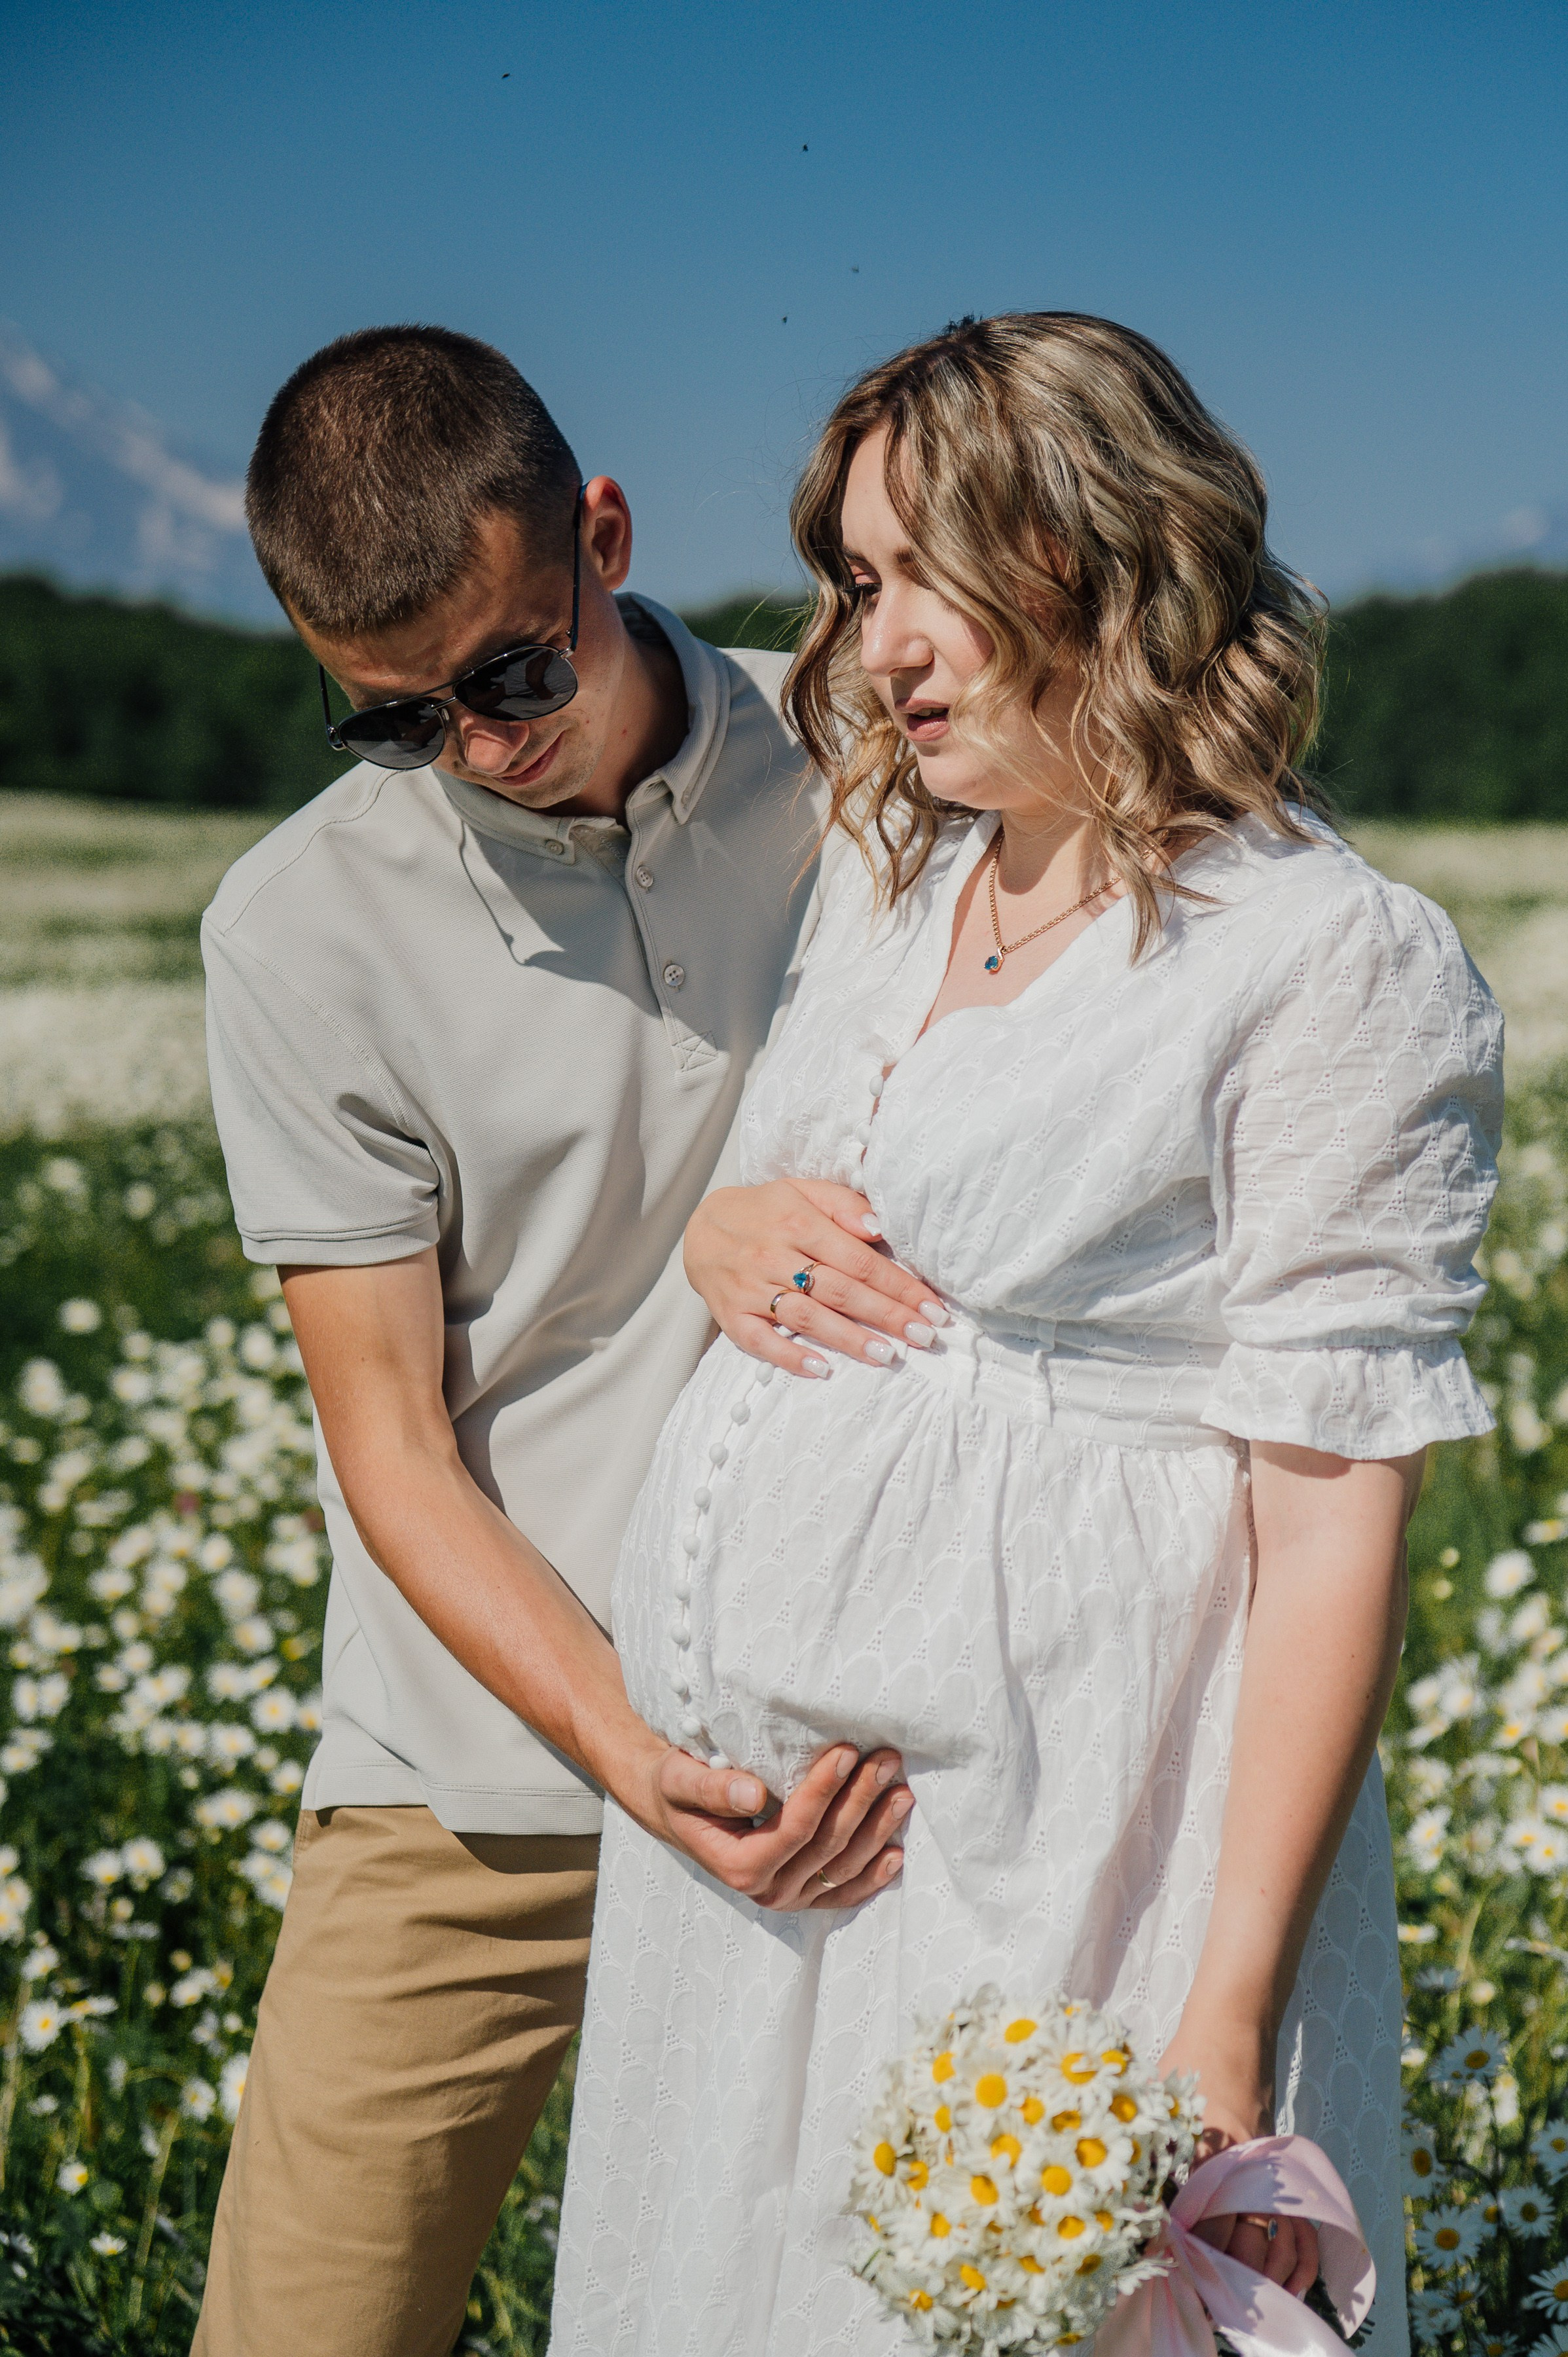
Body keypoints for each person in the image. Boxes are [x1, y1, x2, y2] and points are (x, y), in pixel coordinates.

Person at [549, 312, 1503, 2357]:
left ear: (1101, 556)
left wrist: (1222, 2016)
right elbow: (825, 1193)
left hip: (1065, 1831)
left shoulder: (1326, 956)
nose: (875, 646)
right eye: (857, 580)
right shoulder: (903, 881)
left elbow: (1329, 1514)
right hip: (752, 1892)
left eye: (929, 576)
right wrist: (719, 1234)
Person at [191, 325, 918, 2357]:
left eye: (513, 675)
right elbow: (392, 1446)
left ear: (601, 535)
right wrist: (622, 1746)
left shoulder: (863, 750)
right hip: (478, 1772)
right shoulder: (293, 936)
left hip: (859, 1745)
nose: (479, 747)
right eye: (391, 722)